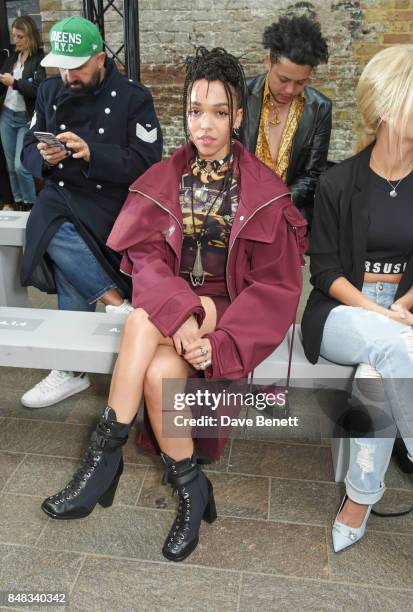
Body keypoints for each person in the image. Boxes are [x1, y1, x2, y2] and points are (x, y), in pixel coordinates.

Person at [40, 47, 307, 562]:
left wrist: (220, 338)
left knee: (141, 320)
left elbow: (275, 288)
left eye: (219, 112)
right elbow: (145, 258)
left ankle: (104, 458)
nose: (204, 125)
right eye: (194, 111)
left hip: (226, 312)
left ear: (238, 115)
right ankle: (191, 488)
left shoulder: (266, 192)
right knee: (160, 372)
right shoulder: (165, 177)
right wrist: (180, 313)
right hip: (171, 308)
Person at [301, 45, 413, 552]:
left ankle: (359, 501)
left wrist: (405, 307)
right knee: (388, 347)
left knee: (378, 374)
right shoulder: (338, 182)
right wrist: (383, 316)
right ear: (389, 108)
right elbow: (324, 271)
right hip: (343, 315)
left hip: (403, 323)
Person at [19, 17, 162, 409]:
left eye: (78, 66)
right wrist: (44, 158)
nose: (68, 75)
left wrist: (91, 152)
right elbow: (26, 151)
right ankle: (118, 304)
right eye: (62, 66)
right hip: (63, 192)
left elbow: (149, 161)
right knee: (49, 219)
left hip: (110, 203)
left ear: (101, 58)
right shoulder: (50, 90)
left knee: (62, 244)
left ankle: (70, 368)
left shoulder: (134, 97)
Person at [240, 14, 331, 224]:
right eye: (283, 79)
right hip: (236, 214)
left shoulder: (319, 108)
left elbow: (312, 174)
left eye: (301, 83)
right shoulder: (238, 94)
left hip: (287, 219)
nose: (290, 90)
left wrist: (277, 207)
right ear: (267, 61)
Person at [0, 16, 45, 211]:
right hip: (7, 116)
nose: (16, 40)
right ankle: (18, 203)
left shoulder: (39, 60)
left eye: (20, 36)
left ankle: (30, 206)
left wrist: (15, 83)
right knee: (11, 167)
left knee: (21, 166)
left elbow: (38, 90)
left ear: (30, 36)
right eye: (14, 36)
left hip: (25, 120)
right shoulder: (13, 58)